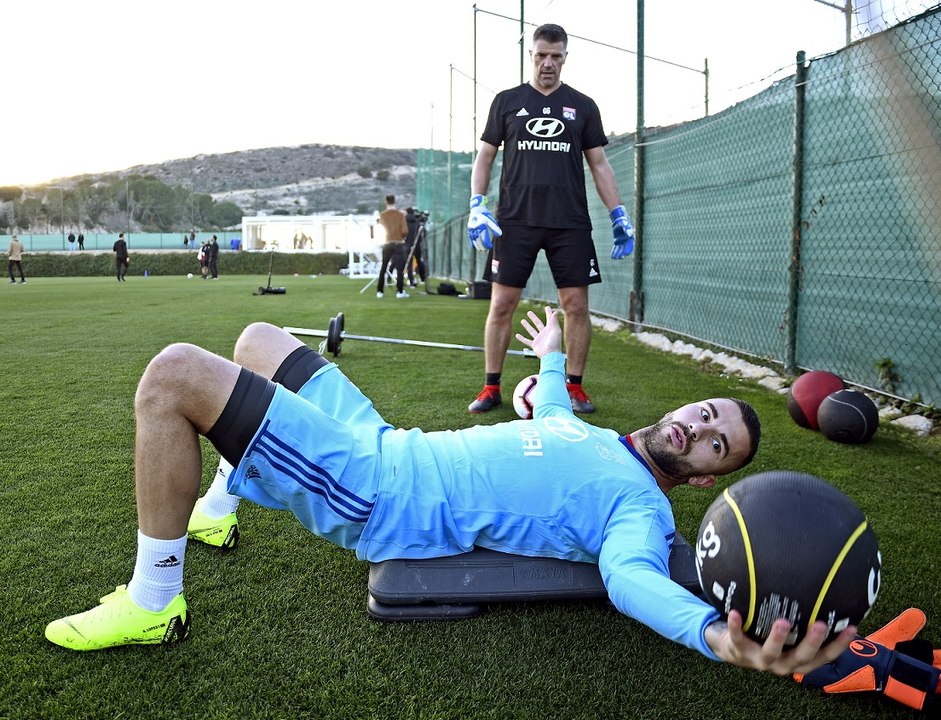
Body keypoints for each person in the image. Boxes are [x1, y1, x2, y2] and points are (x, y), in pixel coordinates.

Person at [43, 306, 856, 681]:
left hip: (380, 491)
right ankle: (218, 511)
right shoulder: (595, 434)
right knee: (259, 340)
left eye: (716, 442)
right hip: (388, 440)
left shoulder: (637, 511)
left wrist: (714, 633)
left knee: (175, 374)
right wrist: (542, 358)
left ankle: (155, 600)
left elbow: (633, 582)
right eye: (703, 412)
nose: (696, 426)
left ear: (708, 477)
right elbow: (556, 404)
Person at [466, 23, 635, 416]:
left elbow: (599, 164)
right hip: (515, 219)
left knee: (575, 304)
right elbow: (486, 156)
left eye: (556, 56)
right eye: (541, 55)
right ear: (531, 56)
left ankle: (574, 387)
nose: (548, 64)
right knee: (502, 303)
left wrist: (619, 213)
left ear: (565, 58)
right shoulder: (507, 101)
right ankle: (491, 387)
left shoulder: (583, 105)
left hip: (569, 222)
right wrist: (478, 202)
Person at [376, 194, 409, 298]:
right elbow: (405, 230)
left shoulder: (382, 215)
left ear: (386, 202)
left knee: (384, 267)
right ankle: (399, 291)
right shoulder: (400, 215)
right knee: (400, 268)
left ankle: (380, 291)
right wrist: (402, 236)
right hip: (398, 243)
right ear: (395, 201)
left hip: (387, 243)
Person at [404, 207, 428, 288]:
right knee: (419, 262)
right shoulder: (417, 222)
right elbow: (423, 233)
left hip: (407, 244)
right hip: (417, 245)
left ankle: (411, 281)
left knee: (409, 264)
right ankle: (423, 278)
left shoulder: (404, 222)